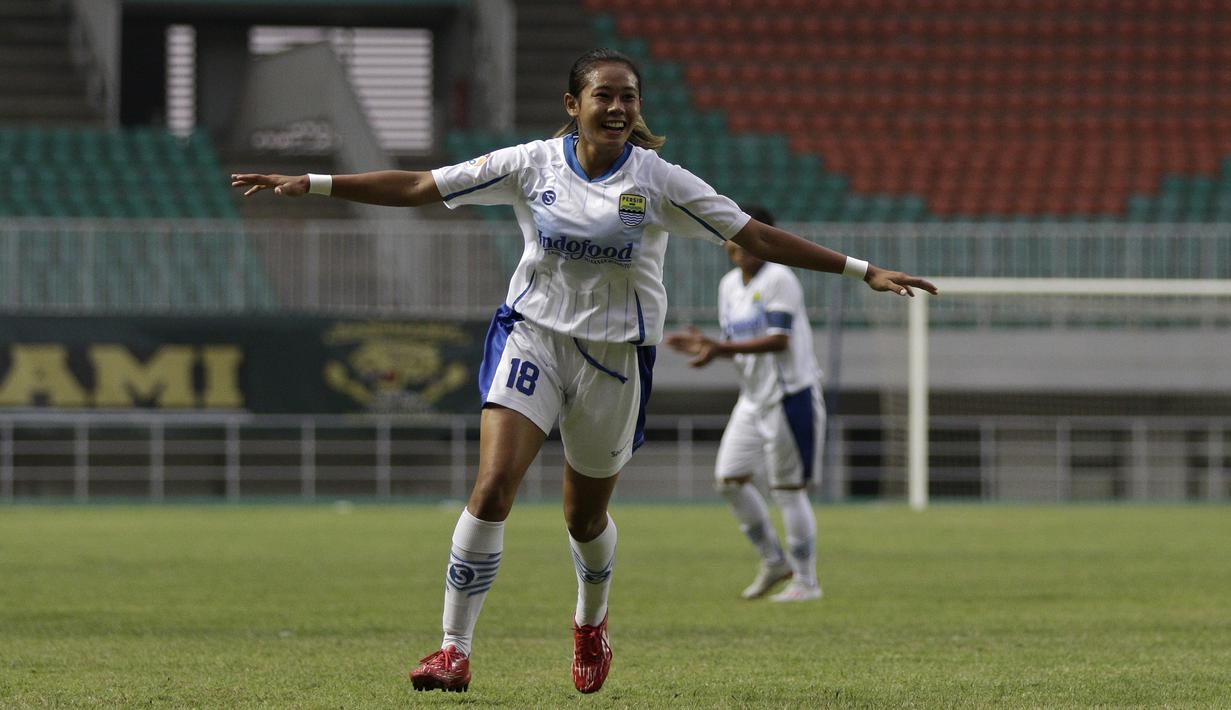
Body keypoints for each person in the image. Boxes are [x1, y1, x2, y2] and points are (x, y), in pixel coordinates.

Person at [231, 48, 937, 695]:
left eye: (628, 97)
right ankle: (451, 649)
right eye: (604, 95)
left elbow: (751, 234)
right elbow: (421, 183)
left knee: (583, 514)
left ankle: (590, 623)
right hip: (533, 337)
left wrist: (861, 270)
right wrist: (313, 183)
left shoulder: (659, 181)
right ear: (573, 104)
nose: (618, 108)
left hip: (615, 359)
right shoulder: (531, 164)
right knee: (493, 485)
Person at [665, 205, 824, 602]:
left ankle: (806, 580)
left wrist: (720, 348)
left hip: (789, 396)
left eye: (752, 234)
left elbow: (778, 340)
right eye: (734, 234)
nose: (741, 243)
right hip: (752, 400)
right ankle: (774, 561)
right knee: (729, 478)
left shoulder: (780, 278)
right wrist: (710, 350)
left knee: (787, 489)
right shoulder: (729, 286)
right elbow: (737, 343)